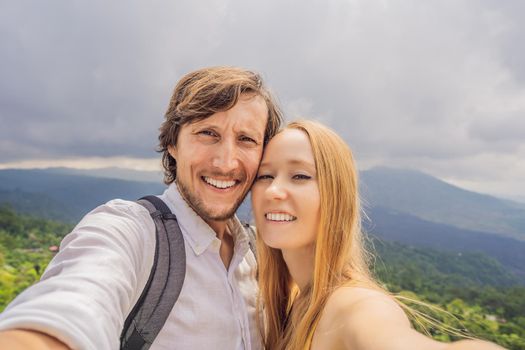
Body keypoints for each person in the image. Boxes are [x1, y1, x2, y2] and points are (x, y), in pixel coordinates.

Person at [0, 66, 283, 350]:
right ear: (173, 143)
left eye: (246, 139)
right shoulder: (133, 232)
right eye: (208, 133)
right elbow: (74, 302)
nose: (226, 162)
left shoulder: (260, 255)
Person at [251, 120, 505, 350]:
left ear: (337, 197)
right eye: (265, 175)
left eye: (300, 176)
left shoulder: (353, 305)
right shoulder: (290, 301)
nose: (273, 190)